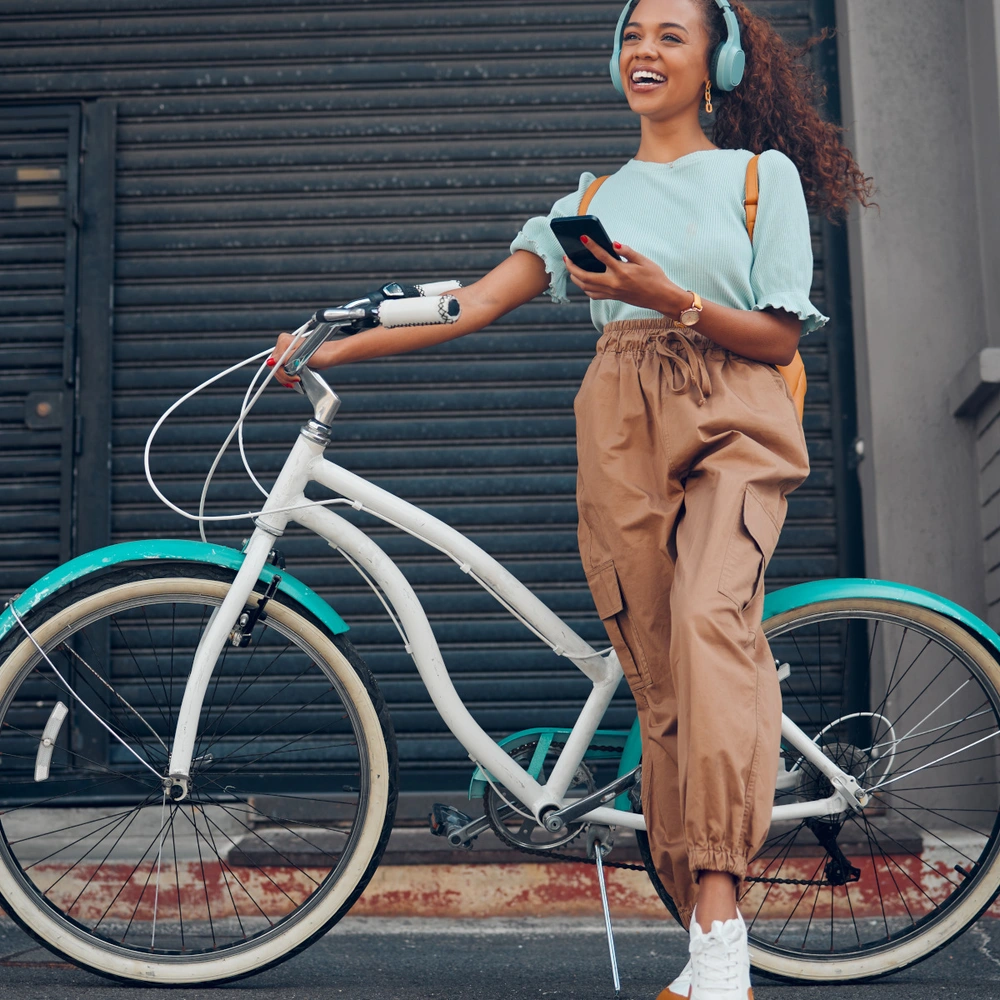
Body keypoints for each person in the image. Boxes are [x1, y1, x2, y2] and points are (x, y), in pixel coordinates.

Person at [272, 1, 872, 996]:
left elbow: (775, 338)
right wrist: (326, 344)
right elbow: (469, 302)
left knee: (706, 620)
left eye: (670, 35)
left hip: (735, 410)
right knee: (662, 683)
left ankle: (721, 944)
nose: (645, 50)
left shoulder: (760, 180)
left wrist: (665, 295)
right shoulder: (586, 199)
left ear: (716, 59)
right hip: (621, 427)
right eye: (633, 35)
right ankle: (701, 931)